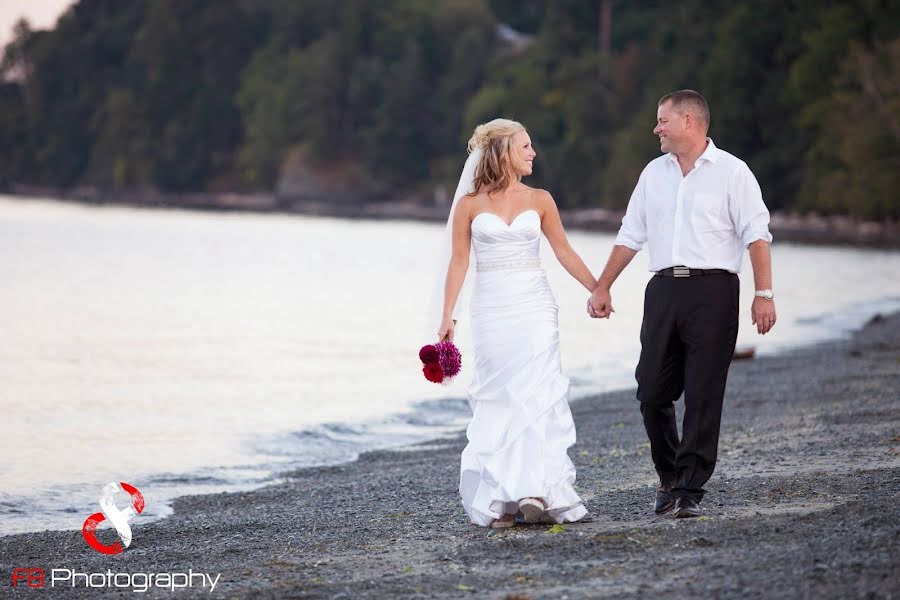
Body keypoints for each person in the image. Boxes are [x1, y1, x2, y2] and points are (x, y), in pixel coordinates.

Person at [588, 90, 776, 518]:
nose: (656, 129)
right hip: (663, 291)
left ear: (689, 121)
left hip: (714, 291)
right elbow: (630, 234)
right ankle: (669, 475)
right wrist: (602, 286)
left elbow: (757, 235)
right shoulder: (654, 174)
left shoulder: (733, 172)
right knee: (651, 390)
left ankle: (689, 489)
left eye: (663, 121)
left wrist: (763, 295)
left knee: (704, 394)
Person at [436, 118, 596, 528]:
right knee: (501, 396)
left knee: (537, 392)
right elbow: (459, 262)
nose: (533, 153)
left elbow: (563, 252)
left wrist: (598, 287)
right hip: (491, 310)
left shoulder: (541, 199)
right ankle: (502, 499)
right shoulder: (469, 204)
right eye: (525, 146)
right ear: (504, 151)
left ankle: (536, 491)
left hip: (535, 307)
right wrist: (447, 316)